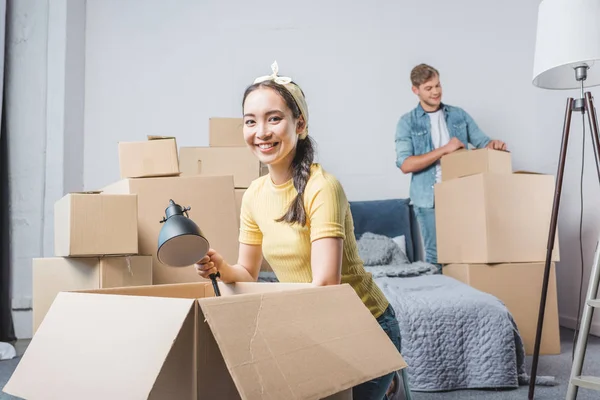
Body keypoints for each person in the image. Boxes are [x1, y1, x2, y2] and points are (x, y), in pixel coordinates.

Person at [195, 61, 411, 400]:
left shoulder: (322, 187)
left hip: (364, 325)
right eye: (250, 121)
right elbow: (248, 273)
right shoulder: (253, 195)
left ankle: (383, 379)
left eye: (274, 118)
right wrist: (220, 266)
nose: (261, 131)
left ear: (301, 124)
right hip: (312, 322)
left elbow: (325, 285)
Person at [394, 63, 506, 273]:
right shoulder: (407, 122)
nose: (436, 91)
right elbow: (406, 164)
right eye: (429, 88)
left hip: (461, 193)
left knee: (467, 253)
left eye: (438, 85)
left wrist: (494, 145)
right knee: (436, 258)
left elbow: (483, 142)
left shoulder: (458, 115)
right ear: (415, 90)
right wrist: (445, 149)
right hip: (429, 199)